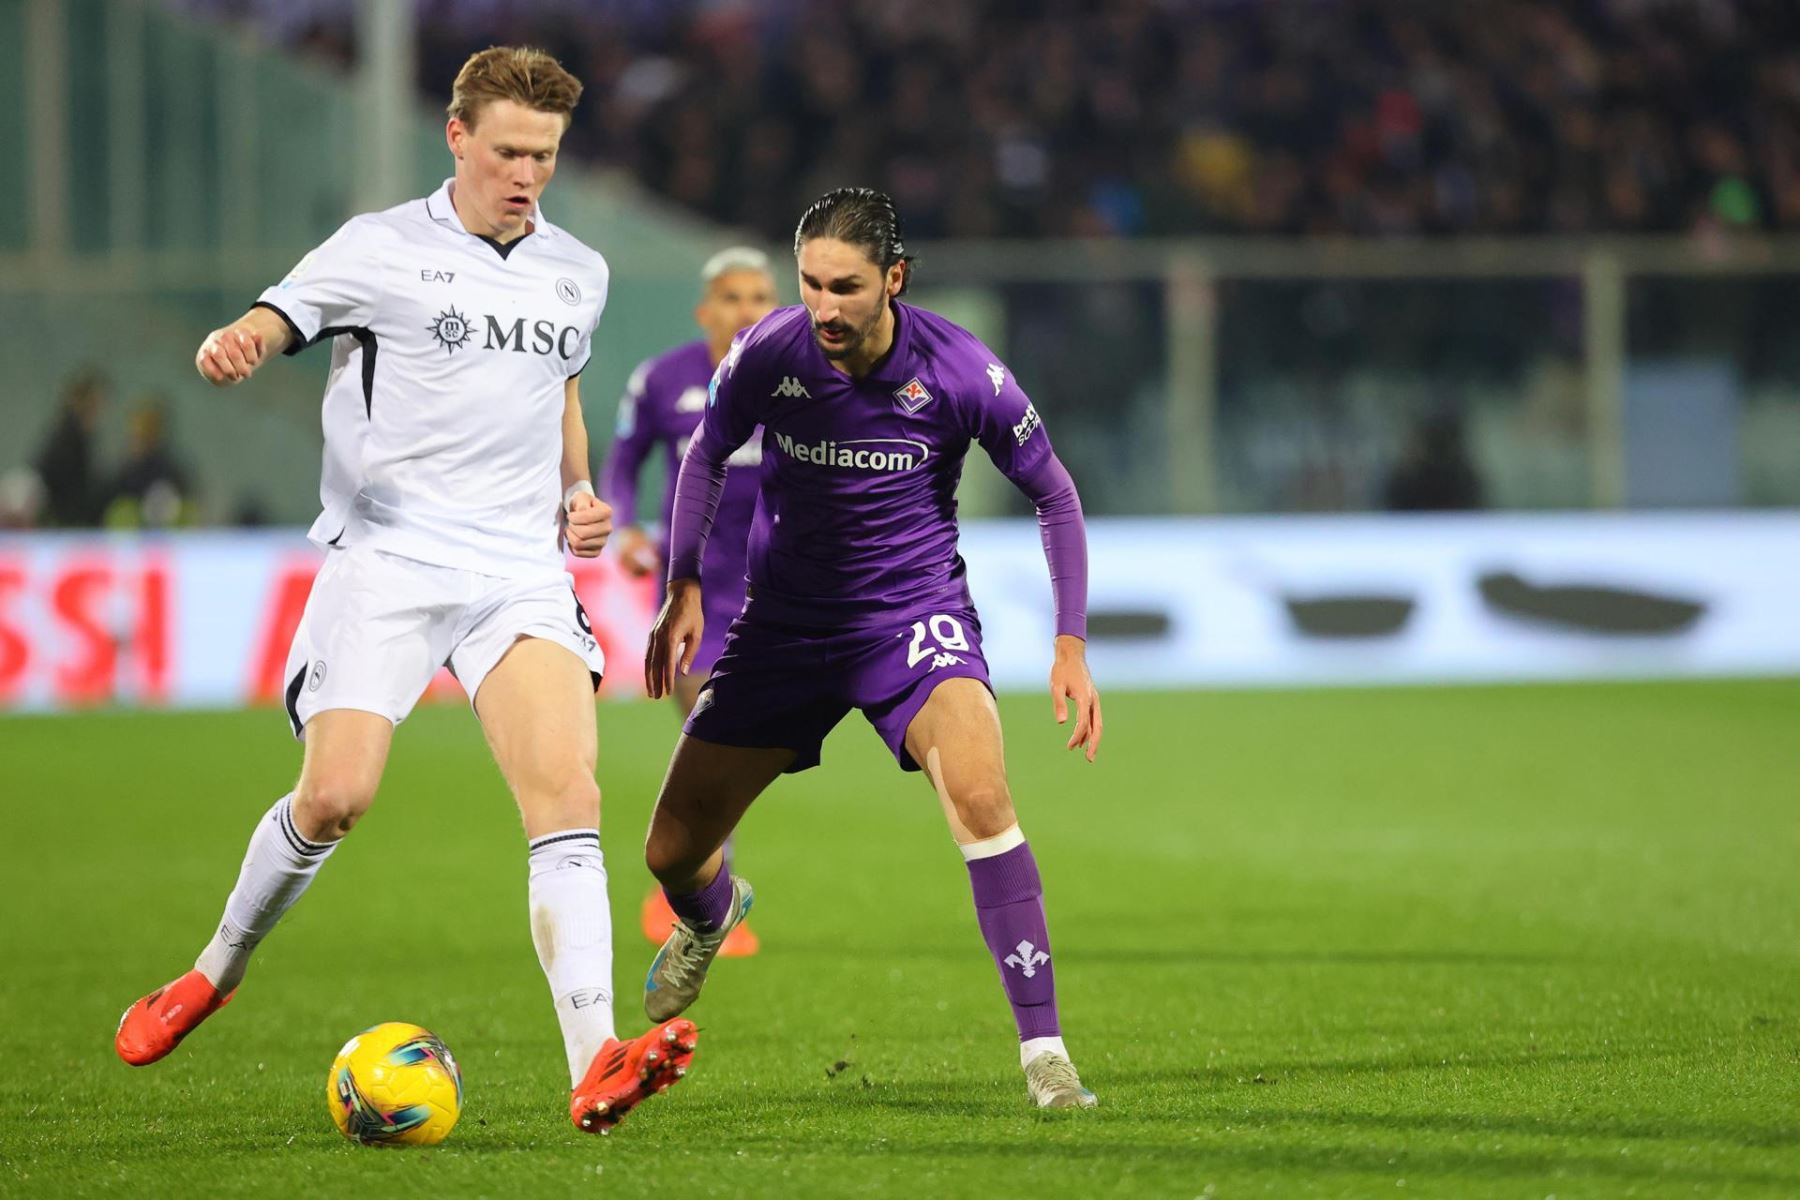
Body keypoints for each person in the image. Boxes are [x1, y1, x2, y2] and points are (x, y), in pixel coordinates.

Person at [113, 46, 696, 1136]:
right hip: (387, 559)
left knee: (568, 797)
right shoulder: (379, 248)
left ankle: (596, 1057)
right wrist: (242, 340)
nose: (529, 173)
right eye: (512, 150)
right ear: (458, 136)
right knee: (335, 797)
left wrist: (577, 490)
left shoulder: (577, 269)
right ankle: (213, 970)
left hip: (516, 569)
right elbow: (279, 316)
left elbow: (559, 392)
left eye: (547, 155)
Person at [641, 188, 1104, 1109]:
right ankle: (711, 912)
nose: (823, 307)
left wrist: (1070, 642)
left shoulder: (963, 370)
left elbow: (1055, 495)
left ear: (893, 279)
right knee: (669, 851)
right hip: (784, 629)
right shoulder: (769, 351)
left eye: (845, 287)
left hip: (912, 621)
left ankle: (1045, 1053)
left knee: (982, 795)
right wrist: (682, 580)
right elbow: (705, 452)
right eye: (809, 283)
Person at [599, 246, 777, 954]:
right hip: (697, 593)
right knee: (715, 733)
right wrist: (625, 526)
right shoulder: (662, 381)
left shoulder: (797, 377)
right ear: (706, 310)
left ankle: (697, 890)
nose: (748, 310)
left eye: (761, 297)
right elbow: (621, 463)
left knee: (746, 747)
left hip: (780, 590)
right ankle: (698, 896)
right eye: (733, 298)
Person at [33, 367, 109, 526]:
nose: (99, 409)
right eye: (94, 402)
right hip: (65, 521)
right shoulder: (67, 437)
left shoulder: (75, 434)